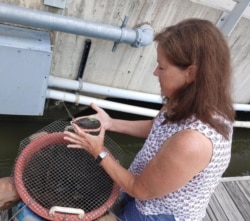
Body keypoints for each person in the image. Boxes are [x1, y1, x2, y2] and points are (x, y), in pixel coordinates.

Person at [65, 18, 235, 221]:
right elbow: (156, 127)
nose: (155, 73)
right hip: (145, 183)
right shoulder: (187, 98)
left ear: (191, 73)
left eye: (162, 68)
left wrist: (98, 151)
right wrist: (110, 123)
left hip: (160, 212)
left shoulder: (193, 141)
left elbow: (140, 190)